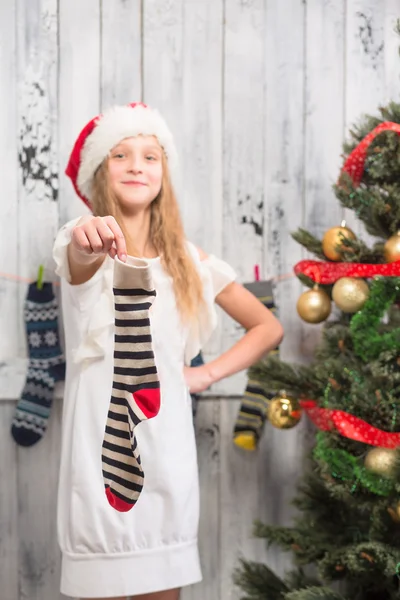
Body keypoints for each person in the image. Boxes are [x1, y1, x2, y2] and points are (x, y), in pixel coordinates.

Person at [53, 101, 284, 600]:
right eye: (121, 155)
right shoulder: (82, 243)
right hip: (101, 465)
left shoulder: (189, 260)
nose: (137, 165)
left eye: (150, 156)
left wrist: (203, 375)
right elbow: (78, 257)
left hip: (169, 460)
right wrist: (83, 237)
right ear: (99, 171)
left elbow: (266, 326)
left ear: (164, 172)